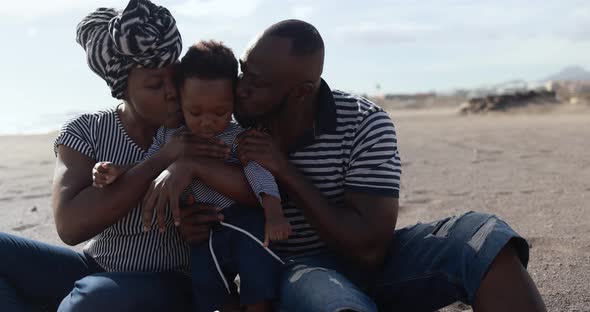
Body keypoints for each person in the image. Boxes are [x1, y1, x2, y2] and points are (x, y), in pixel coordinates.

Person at [230, 19, 547, 311]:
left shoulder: (363, 123)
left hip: (373, 266)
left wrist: (284, 170)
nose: (240, 88)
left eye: (256, 83)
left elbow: (370, 249)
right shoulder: (225, 126)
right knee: (329, 297)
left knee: (484, 238)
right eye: (243, 70)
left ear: (300, 93)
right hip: (297, 274)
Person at [0, 1, 244, 311]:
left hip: (173, 280)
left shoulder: (199, 126)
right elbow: (71, 226)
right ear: (122, 88)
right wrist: (160, 161)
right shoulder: (87, 131)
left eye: (175, 78)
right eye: (155, 84)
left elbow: (246, 178)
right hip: (94, 267)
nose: (171, 92)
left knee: (92, 299)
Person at [93, 40, 290, 312]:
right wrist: (117, 171)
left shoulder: (237, 137)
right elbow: (148, 165)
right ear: (181, 101)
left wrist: (274, 210)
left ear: (233, 101)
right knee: (209, 287)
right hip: (203, 229)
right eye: (195, 112)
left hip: (245, 223)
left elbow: (258, 171)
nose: (207, 121)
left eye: (220, 112)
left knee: (257, 277)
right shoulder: (170, 137)